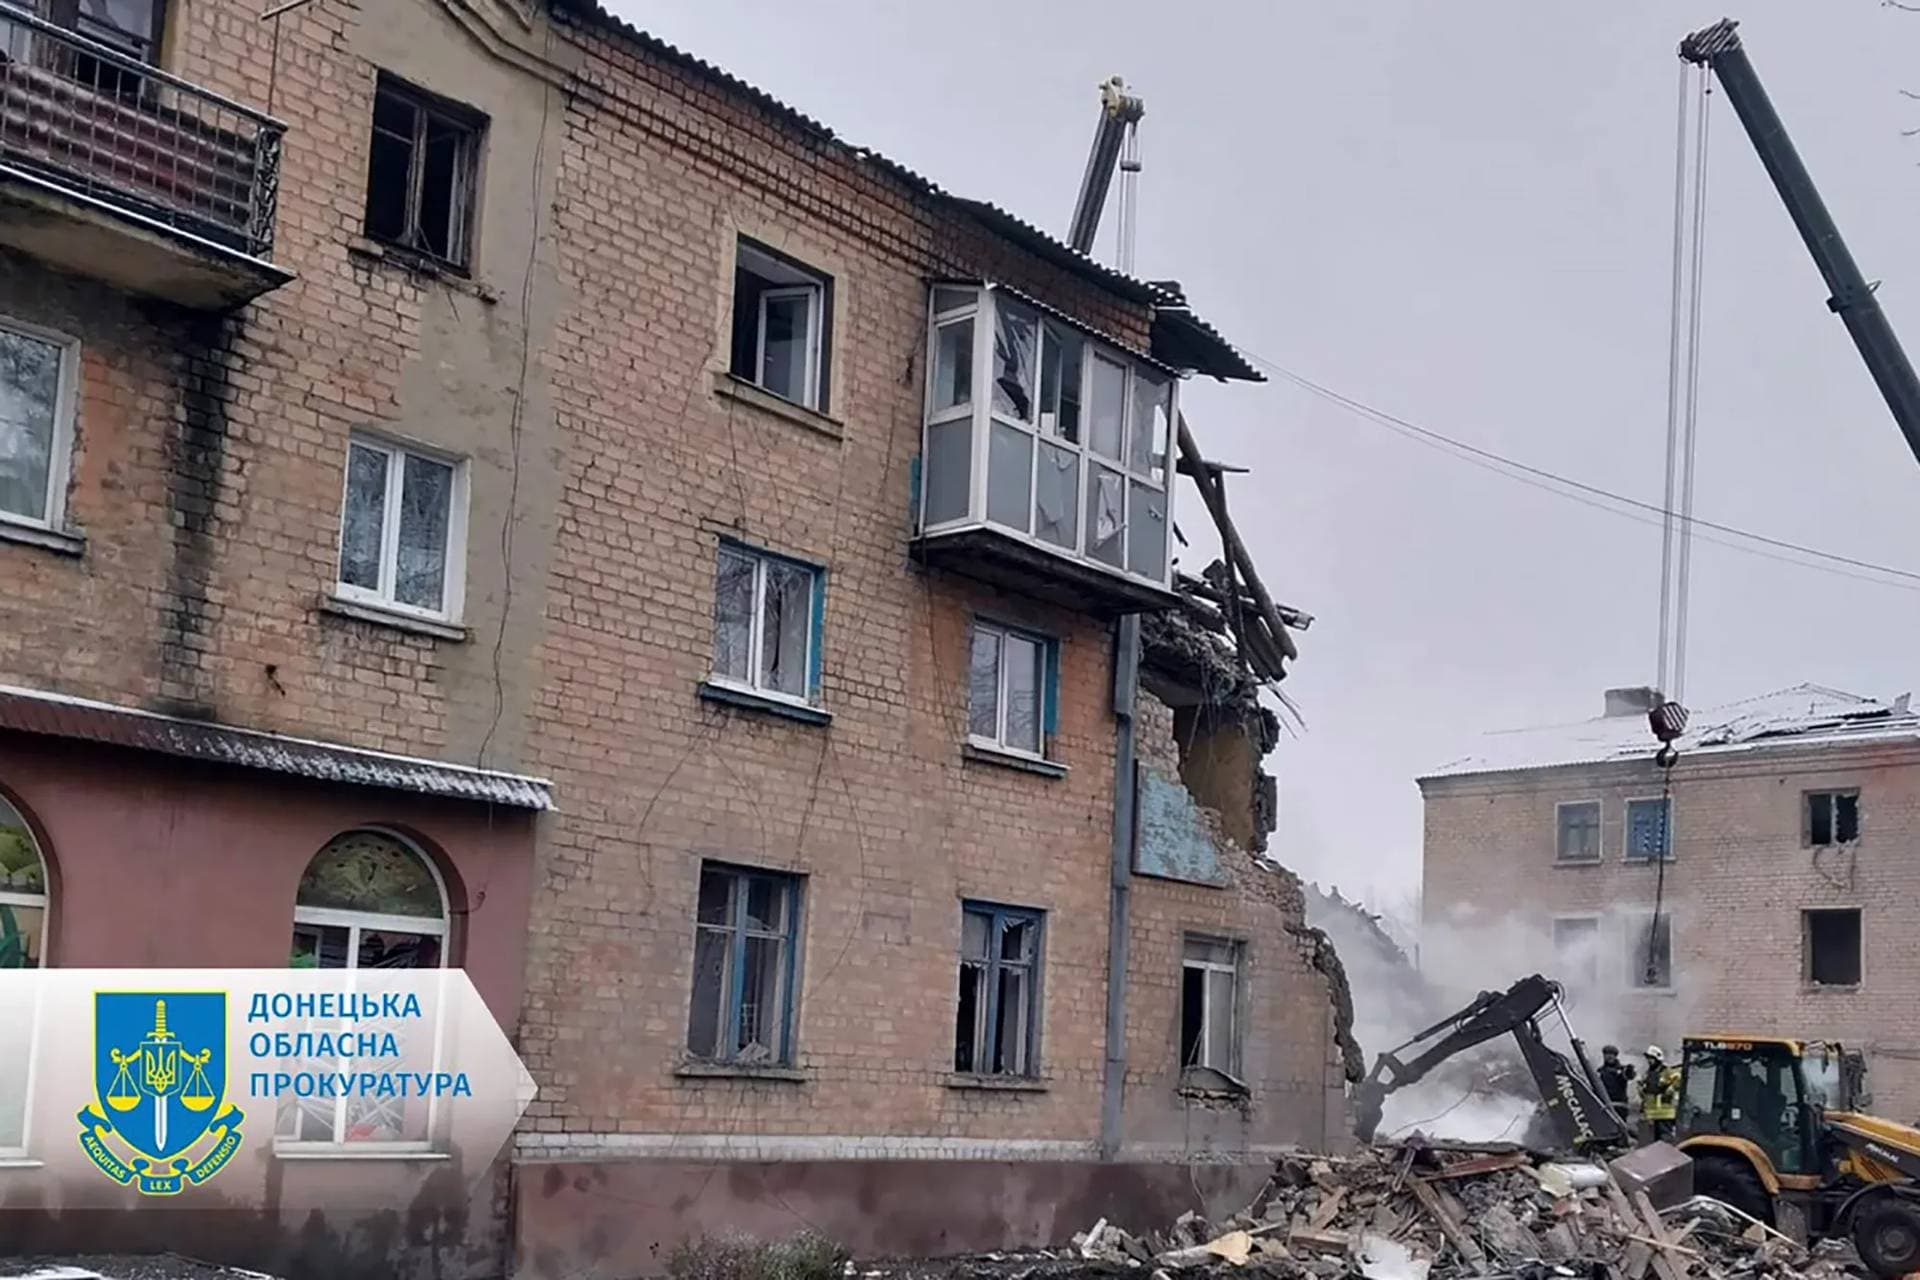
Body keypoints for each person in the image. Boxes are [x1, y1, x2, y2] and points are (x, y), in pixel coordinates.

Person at [1640, 1044, 1681, 1143]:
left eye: (1651, 1058)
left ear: (1657, 1059)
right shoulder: (1648, 1073)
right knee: (1651, 1139)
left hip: (1665, 1113)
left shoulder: (1667, 1071)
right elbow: (1645, 1091)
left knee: (1665, 1137)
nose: (1649, 1061)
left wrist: (1671, 1088)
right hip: (1652, 1113)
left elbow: (1679, 1079)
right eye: (1648, 1058)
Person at [1598, 1044, 1637, 1113]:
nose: (1609, 1056)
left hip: (1619, 1106)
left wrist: (1630, 1070)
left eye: (1612, 1054)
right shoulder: (1600, 1071)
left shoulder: (1622, 1069)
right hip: (1605, 1105)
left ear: (1615, 1056)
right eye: (1607, 1054)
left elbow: (1629, 1076)